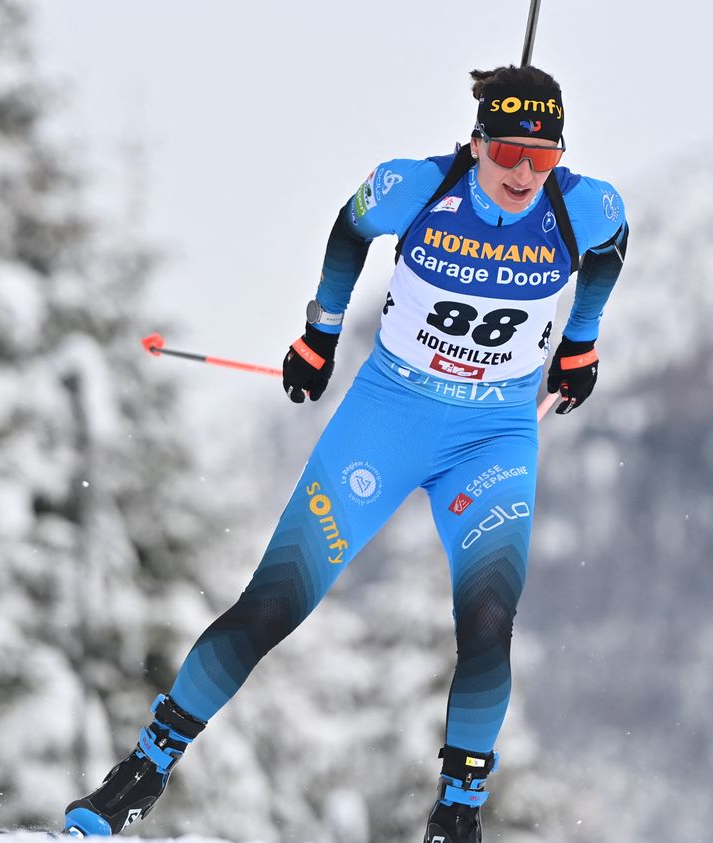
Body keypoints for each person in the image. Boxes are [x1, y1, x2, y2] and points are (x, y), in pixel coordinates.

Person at [64, 64, 628, 843]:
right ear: (476, 144)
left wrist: (581, 342)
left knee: (490, 619)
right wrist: (320, 331)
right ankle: (144, 768)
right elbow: (349, 229)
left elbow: (610, 248)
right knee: (274, 603)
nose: (524, 174)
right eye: (505, 154)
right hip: (388, 418)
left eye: (542, 157)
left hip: (492, 436)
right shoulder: (415, 187)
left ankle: (457, 815)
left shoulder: (584, 206)